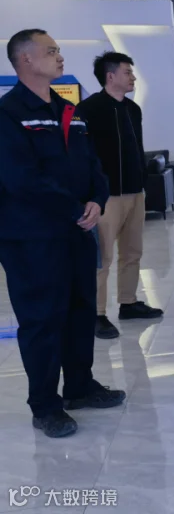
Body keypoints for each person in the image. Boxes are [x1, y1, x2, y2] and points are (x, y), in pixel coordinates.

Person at [0, 29, 126, 438]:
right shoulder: (9, 113)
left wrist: (97, 200)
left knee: (79, 310)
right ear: (25, 60)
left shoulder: (69, 109)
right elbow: (21, 178)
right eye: (51, 51)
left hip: (76, 230)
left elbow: (92, 165)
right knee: (42, 319)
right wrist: (75, 209)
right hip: (32, 237)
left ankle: (79, 387)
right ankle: (45, 405)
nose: (59, 57)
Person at [77, 52, 163, 340]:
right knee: (102, 258)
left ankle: (128, 302)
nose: (133, 77)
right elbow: (82, 156)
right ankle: (96, 314)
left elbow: (137, 148)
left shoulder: (133, 109)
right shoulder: (88, 109)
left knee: (132, 252)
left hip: (135, 192)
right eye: (128, 72)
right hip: (106, 197)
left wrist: (142, 182)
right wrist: (91, 193)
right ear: (110, 76)